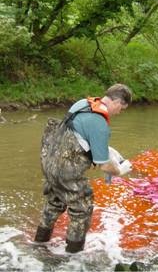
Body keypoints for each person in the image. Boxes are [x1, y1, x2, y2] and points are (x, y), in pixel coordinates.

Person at [34, 83, 133, 253]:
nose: (119, 113)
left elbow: (76, 135)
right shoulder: (100, 123)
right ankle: (74, 256)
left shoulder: (82, 103)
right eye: (122, 109)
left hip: (49, 162)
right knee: (82, 210)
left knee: (54, 202)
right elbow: (105, 166)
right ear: (117, 102)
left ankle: (39, 243)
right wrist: (120, 170)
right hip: (66, 172)